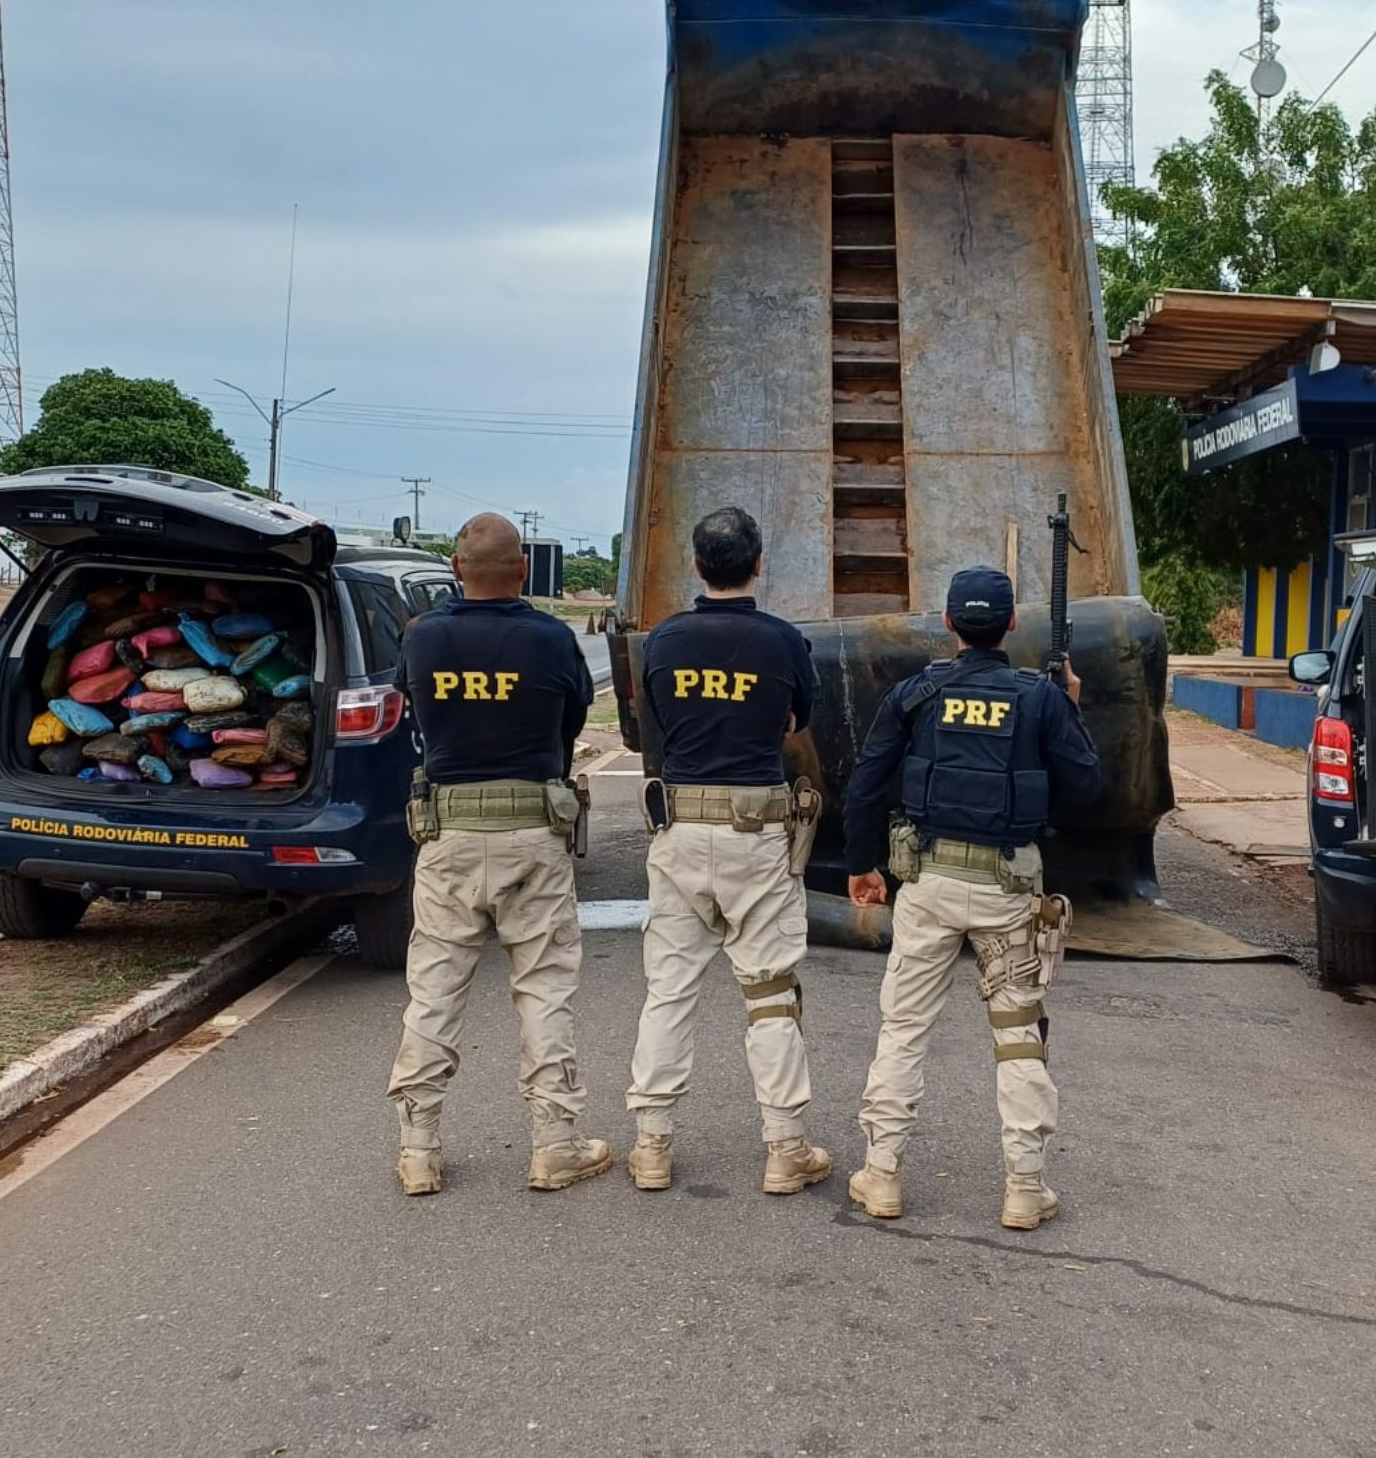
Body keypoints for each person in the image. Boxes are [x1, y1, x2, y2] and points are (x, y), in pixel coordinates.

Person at [841, 566, 1100, 1230]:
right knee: (1017, 1035)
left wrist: (864, 865)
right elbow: (1087, 790)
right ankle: (1024, 1188)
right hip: (1010, 889)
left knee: (903, 1030)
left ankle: (883, 1176)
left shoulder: (915, 694)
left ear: (949, 623)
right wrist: (1070, 703)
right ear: (1011, 623)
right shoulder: (1040, 700)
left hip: (927, 885)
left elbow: (867, 782)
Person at [386, 512, 610, 1197]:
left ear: (456, 570)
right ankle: (555, 1145)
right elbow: (572, 719)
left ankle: (419, 1149)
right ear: (521, 571)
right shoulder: (550, 638)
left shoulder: (422, 638)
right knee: (544, 989)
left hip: (449, 834)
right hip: (532, 834)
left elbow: (413, 714)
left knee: (434, 993)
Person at [624, 506, 832, 1196]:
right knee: (770, 992)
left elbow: (658, 719)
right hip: (758, 832)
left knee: (669, 990)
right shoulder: (782, 643)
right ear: (758, 563)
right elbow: (796, 720)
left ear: (695, 564)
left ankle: (651, 1145)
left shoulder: (665, 642)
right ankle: (786, 1149)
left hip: (679, 829)